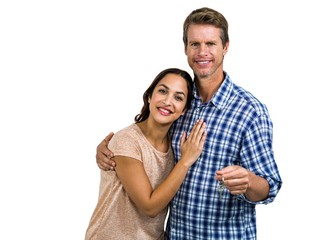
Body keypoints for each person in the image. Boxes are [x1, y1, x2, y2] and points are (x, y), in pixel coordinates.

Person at [96, 7, 282, 240]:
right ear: (185, 48)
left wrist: (249, 181)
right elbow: (145, 141)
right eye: (195, 44)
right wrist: (108, 150)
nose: (202, 52)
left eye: (211, 44)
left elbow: (270, 186)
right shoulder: (179, 102)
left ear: (225, 47)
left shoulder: (250, 111)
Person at [85, 67, 207, 240]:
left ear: (184, 110)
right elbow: (149, 207)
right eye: (163, 91)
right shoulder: (127, 140)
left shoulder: (175, 144)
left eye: (178, 97)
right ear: (150, 96)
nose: (167, 101)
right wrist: (186, 161)